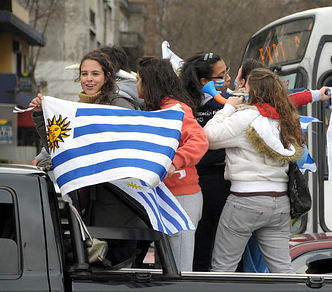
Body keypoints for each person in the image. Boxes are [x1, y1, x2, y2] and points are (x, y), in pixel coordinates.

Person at [30, 50, 145, 267]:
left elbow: (125, 147)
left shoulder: (119, 103)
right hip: (93, 206)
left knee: (119, 271)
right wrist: (40, 115)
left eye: (95, 74)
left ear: (108, 76)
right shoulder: (79, 107)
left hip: (121, 208)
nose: (89, 79)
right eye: (84, 74)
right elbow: (58, 147)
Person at [204, 68, 304, 273]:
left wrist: (228, 109)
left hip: (245, 200)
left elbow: (209, 137)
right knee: (283, 269)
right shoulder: (287, 119)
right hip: (280, 202)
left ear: (254, 92)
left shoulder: (246, 118)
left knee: (223, 267)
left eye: (246, 87)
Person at [137, 56, 209, 272]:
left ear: (151, 82)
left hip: (182, 197)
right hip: (166, 196)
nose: (136, 84)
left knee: (178, 270)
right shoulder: (157, 108)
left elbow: (199, 140)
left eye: (139, 79)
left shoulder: (176, 109)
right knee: (167, 269)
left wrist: (173, 163)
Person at [179, 52, 233, 272]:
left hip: (218, 179)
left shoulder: (230, 99)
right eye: (221, 75)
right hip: (200, 183)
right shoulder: (185, 105)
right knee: (203, 244)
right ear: (204, 82)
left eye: (227, 70)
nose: (228, 77)